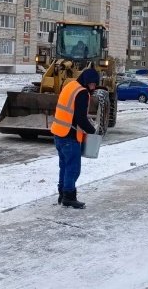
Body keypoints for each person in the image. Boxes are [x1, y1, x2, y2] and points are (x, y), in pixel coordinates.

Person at [50, 68, 100, 209]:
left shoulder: (70, 85)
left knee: (64, 167)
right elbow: (80, 119)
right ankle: (69, 197)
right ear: (87, 82)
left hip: (58, 133)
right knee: (73, 168)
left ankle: (62, 193)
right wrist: (93, 131)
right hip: (69, 136)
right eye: (93, 84)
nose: (94, 87)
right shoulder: (82, 93)